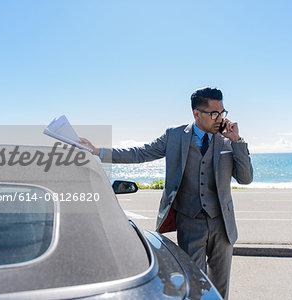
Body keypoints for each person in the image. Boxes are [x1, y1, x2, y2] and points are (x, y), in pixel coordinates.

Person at [80, 87, 253, 299]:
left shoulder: (228, 139)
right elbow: (140, 153)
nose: (220, 118)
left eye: (222, 112)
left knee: (220, 288)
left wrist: (237, 141)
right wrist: (98, 151)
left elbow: (245, 178)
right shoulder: (175, 136)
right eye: (214, 113)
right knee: (195, 288)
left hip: (222, 224)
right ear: (196, 114)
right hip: (190, 222)